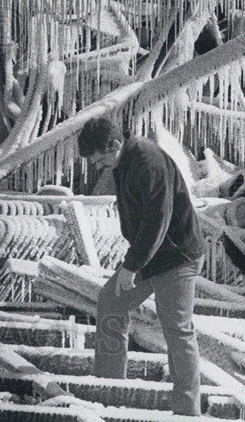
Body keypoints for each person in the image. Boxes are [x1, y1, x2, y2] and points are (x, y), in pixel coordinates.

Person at [77, 117, 206, 417]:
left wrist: (130, 266)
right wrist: (134, 263)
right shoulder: (124, 159)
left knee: (177, 329)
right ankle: (109, 390)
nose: (99, 167)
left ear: (115, 144)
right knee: (111, 301)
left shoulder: (148, 162)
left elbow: (156, 221)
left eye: (100, 160)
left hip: (177, 256)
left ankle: (187, 410)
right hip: (153, 255)